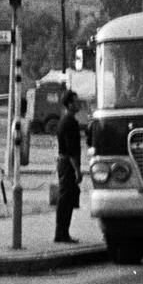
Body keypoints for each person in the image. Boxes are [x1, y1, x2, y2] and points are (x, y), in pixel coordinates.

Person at [54, 88, 83, 243]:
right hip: (67, 163)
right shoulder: (70, 123)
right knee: (66, 197)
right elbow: (72, 149)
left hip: (63, 162)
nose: (79, 104)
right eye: (76, 101)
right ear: (70, 104)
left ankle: (62, 231)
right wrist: (77, 170)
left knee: (67, 196)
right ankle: (62, 233)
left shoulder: (63, 120)